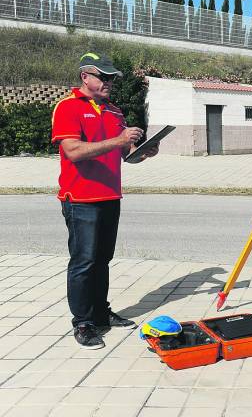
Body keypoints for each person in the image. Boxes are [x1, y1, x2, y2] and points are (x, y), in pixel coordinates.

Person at [51, 52, 159, 349]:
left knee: (102, 260)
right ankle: (83, 323)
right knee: (84, 262)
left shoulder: (115, 111)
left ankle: (100, 313)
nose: (110, 82)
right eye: (104, 76)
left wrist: (145, 151)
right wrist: (119, 141)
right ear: (85, 76)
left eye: (112, 77)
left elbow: (126, 155)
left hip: (110, 195)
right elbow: (73, 151)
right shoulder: (68, 107)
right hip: (80, 198)